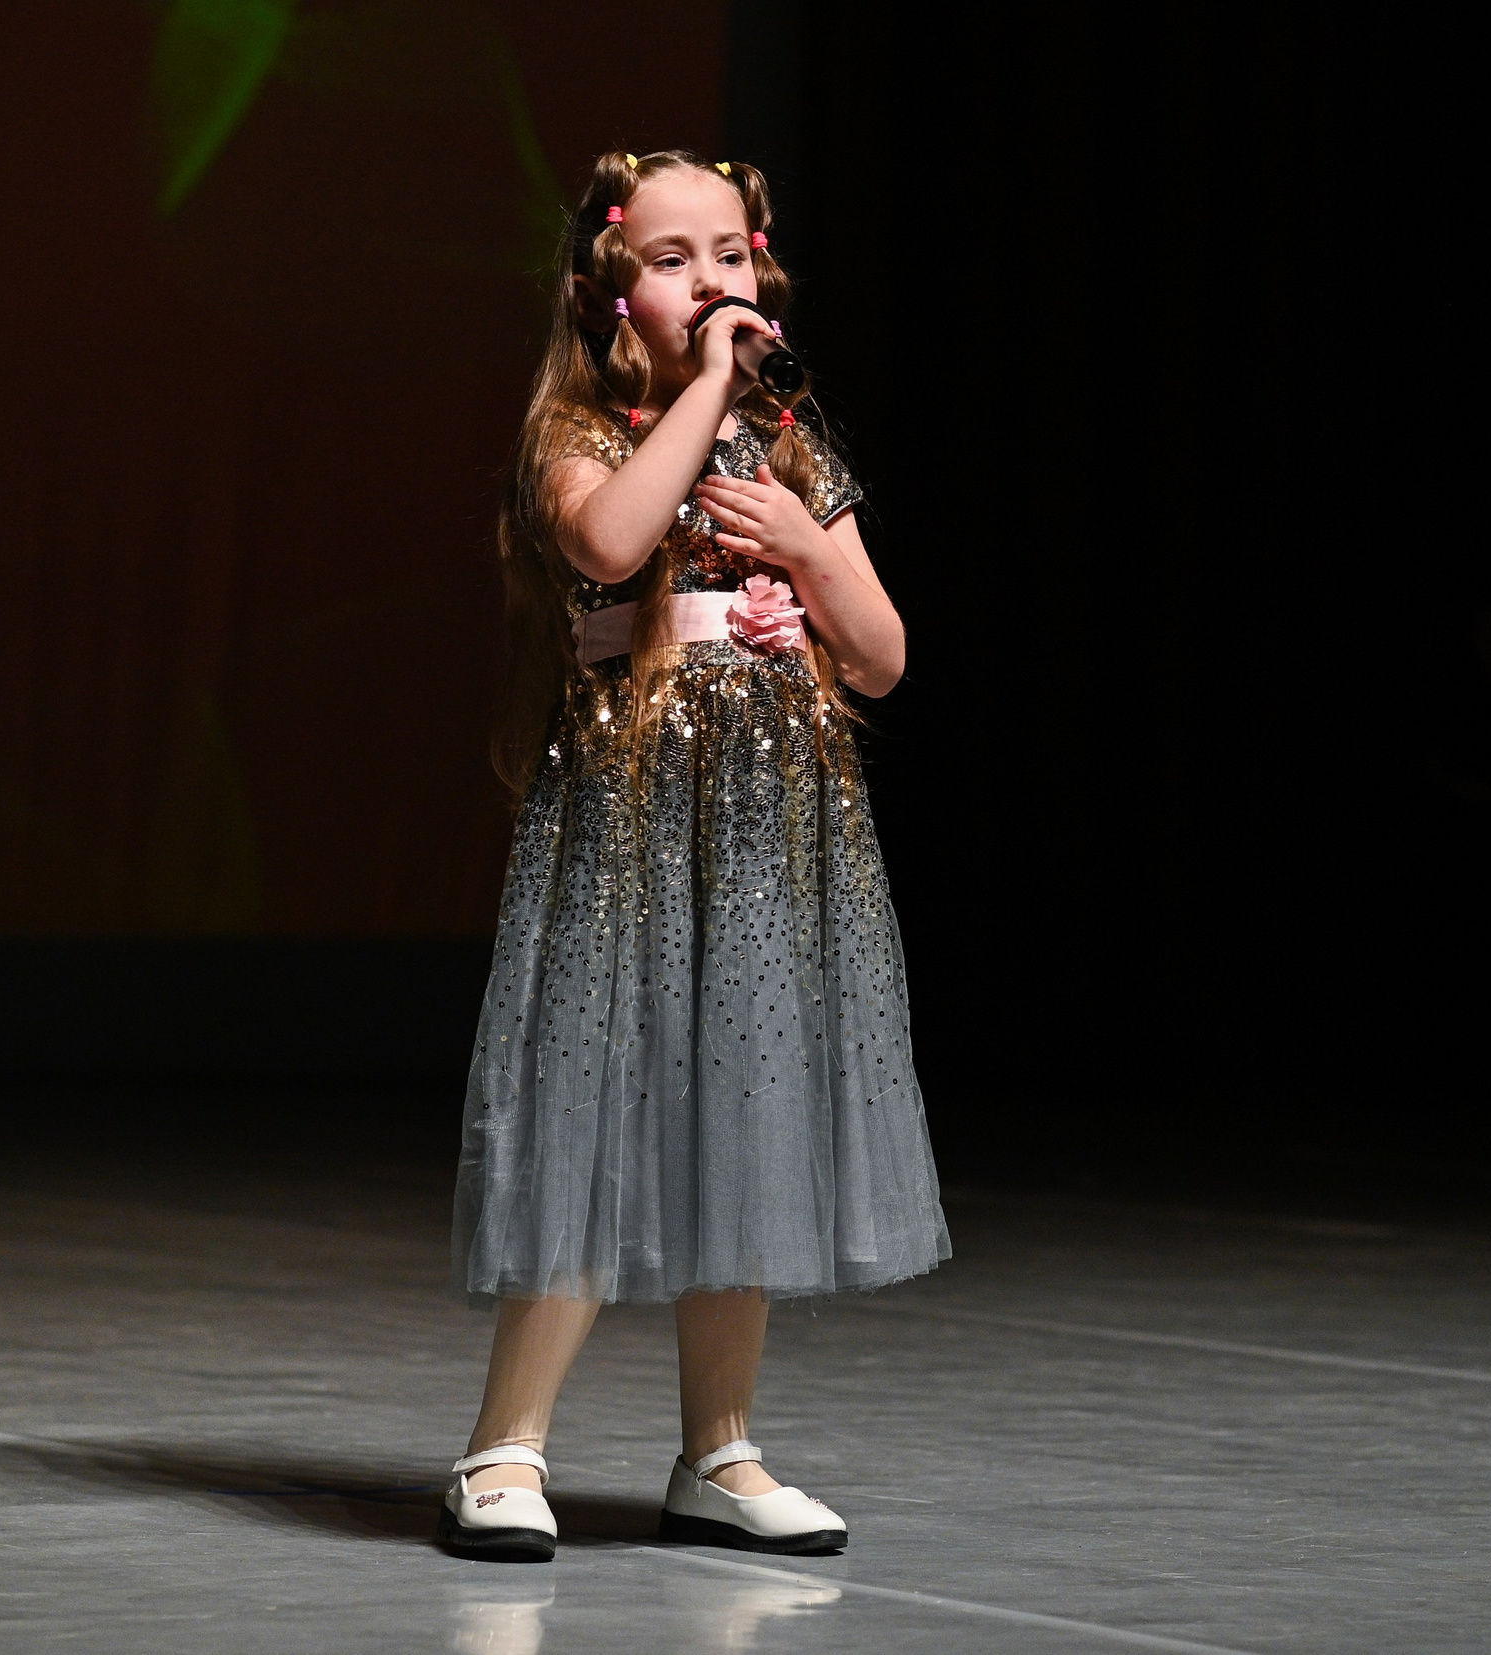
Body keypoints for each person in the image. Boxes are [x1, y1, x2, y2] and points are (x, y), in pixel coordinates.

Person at [440, 149, 950, 1562]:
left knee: (748, 1117)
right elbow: (609, 547)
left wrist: (806, 550)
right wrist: (713, 390)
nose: (712, 280)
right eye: (673, 258)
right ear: (612, 288)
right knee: (591, 1113)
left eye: (730, 253)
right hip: (631, 822)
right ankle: (504, 1448)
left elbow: (888, 656)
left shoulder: (789, 451)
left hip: (771, 831)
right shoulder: (585, 434)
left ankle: (719, 1450)